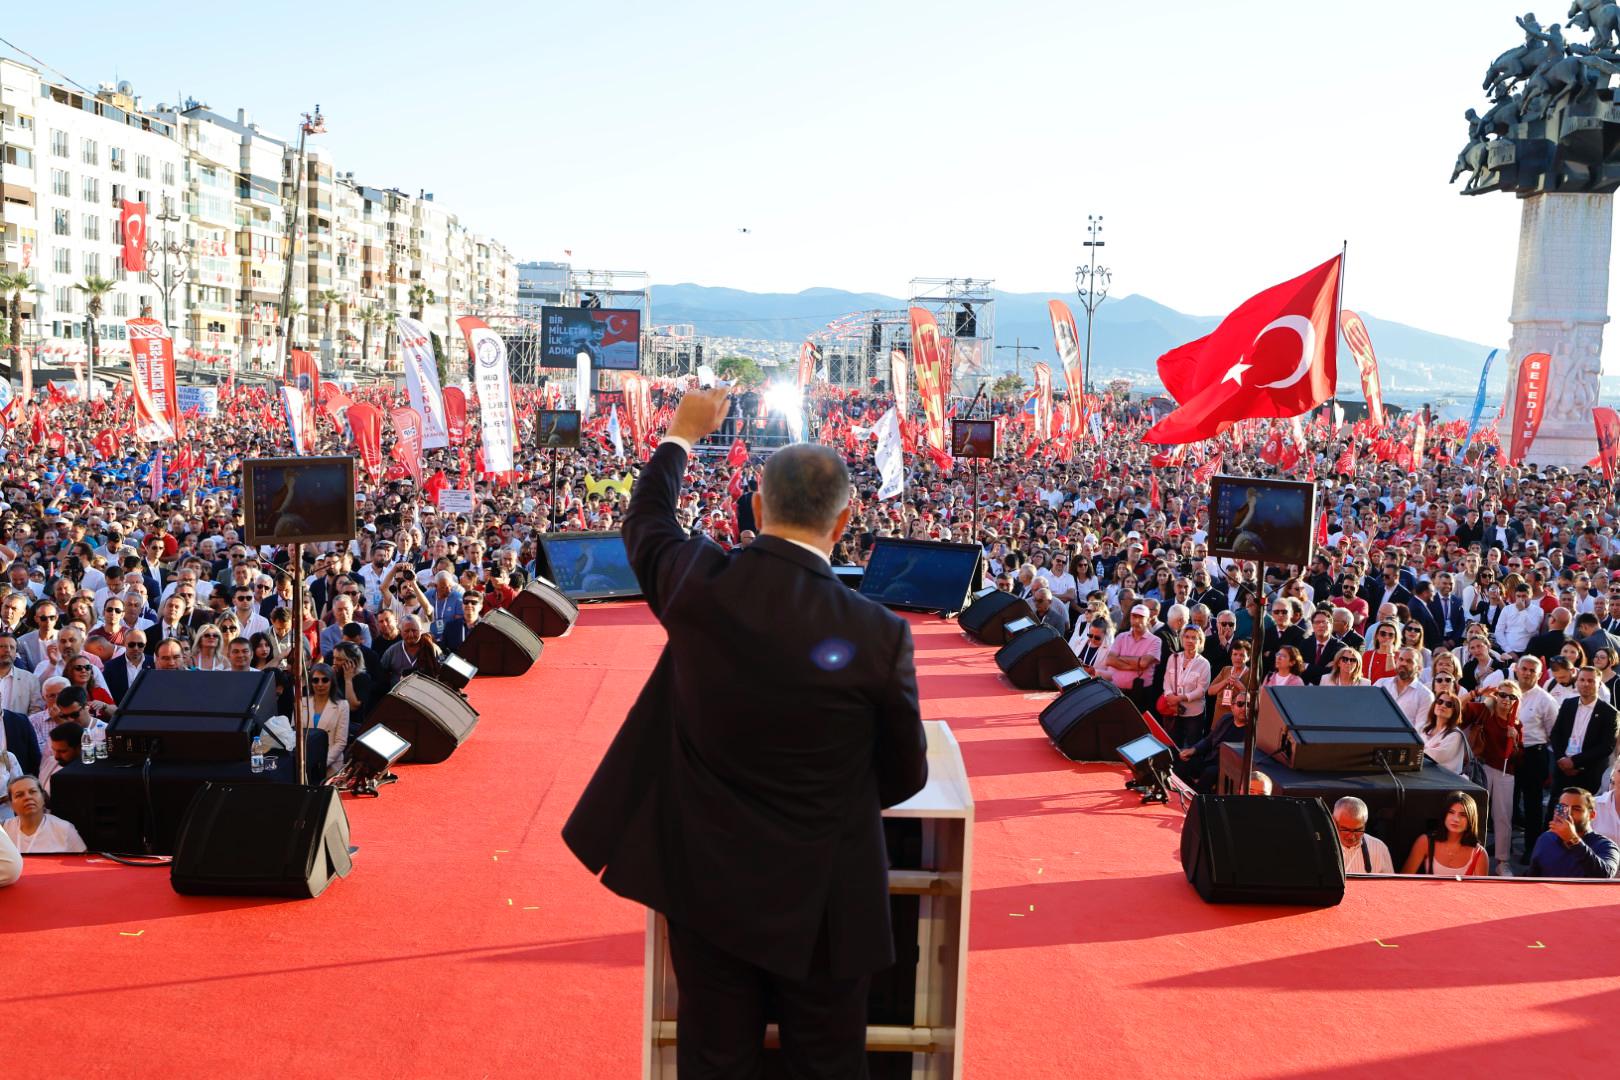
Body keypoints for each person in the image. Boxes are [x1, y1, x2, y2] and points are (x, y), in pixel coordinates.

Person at [563, 388, 928, 1077]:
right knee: (827, 1064)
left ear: (757, 510)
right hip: (828, 898)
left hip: (708, 887)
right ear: (846, 520)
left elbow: (645, 522)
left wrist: (680, 434)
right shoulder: (879, 634)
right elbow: (905, 774)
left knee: (716, 1058)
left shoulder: (700, 585)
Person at [1460, 680, 1523, 874]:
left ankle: (1503, 861)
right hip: (1482, 767)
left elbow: (1518, 759)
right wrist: (1475, 692)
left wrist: (1515, 740)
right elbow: (1457, 710)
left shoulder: (1517, 724)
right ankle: (1468, 856)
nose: (1506, 700)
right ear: (1496, 696)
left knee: (1503, 817)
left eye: (1512, 697)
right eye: (1502, 695)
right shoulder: (1483, 711)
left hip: (1505, 772)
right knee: (1474, 813)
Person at [1547, 665, 1620, 815]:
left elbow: (1606, 746)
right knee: (1555, 814)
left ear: (1599, 684)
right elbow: (1556, 734)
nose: (1586, 684)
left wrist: (1574, 762)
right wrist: (1562, 758)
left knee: (1581, 818)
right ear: (1577, 681)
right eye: (1582, 680)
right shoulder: (1568, 704)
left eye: (1591, 681)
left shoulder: (1609, 713)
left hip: (1588, 774)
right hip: (1562, 771)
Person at [1528, 788, 1620, 878]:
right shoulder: (1546, 839)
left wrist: (1573, 840)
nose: (1569, 813)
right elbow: (1532, 878)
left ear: (1592, 815)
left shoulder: (1606, 846)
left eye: (1576, 809)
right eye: (1562, 807)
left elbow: (1605, 875)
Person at [1399, 792, 1489, 877]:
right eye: (1451, 812)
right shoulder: (1425, 842)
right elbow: (1403, 881)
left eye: (1463, 815)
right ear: (1444, 815)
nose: (1456, 819)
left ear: (1471, 820)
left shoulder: (1479, 854)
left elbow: (1481, 891)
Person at [3, 774, 86, 853]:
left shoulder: (64, 829)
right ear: (11, 804)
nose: (28, 797)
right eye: (20, 795)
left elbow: (84, 863)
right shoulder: (3, 830)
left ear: (43, 797)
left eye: (33, 791)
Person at [1160, 624, 1211, 748]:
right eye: (1187, 637)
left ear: (1200, 642)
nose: (1189, 640)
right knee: (1173, 744)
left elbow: (1201, 690)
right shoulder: (1173, 658)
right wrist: (1170, 695)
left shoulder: (1204, 663)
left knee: (1192, 745)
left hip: (1194, 713)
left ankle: (1190, 768)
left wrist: (1181, 698)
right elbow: (1166, 680)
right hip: (1173, 709)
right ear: (1182, 639)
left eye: (1194, 638)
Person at [1105, 604, 1161, 713]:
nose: (1136, 620)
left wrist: (1119, 659)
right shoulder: (1121, 636)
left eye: (1140, 617)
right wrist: (1137, 663)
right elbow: (1110, 660)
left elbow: (1144, 663)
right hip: (1117, 691)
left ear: (1148, 619)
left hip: (1140, 694)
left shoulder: (1155, 641)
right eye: (1134, 616)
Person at [301, 662, 350, 775]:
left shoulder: (342, 705)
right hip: (304, 765)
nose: (320, 684)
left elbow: (341, 742)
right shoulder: (301, 703)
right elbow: (293, 735)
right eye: (315, 680)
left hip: (331, 766)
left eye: (325, 680)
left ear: (332, 681)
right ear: (311, 683)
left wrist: (321, 763)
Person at [1375, 647, 1436, 729]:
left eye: (1409, 661)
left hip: (1404, 741)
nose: (1403, 663)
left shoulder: (1425, 695)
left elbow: (1420, 729)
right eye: (1401, 659)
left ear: (1419, 668)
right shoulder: (1381, 684)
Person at [1332, 796, 1394, 874]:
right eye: (1346, 829)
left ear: (1365, 824)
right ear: (1333, 822)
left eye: (1358, 830)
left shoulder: (1379, 848)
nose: (1351, 836)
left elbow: (1389, 884)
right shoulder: (1319, 848)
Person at [1421, 693, 1469, 773]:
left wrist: (1421, 749)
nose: (1443, 706)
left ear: (1455, 711)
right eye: (1440, 701)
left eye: (1449, 704)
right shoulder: (1426, 728)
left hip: (1445, 782)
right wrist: (1429, 749)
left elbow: (1436, 756)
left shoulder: (1456, 734)